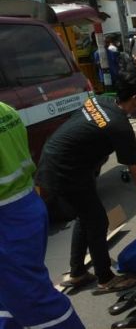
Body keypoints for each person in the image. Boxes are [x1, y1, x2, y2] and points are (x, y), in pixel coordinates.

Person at [36, 72, 136, 295]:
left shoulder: (100, 100)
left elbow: (83, 132)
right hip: (66, 170)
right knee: (97, 220)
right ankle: (106, 279)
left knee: (86, 216)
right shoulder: (120, 127)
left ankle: (77, 272)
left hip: (54, 159)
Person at [0, 102, 85, 329]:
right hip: (26, 206)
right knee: (10, 296)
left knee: (33, 302)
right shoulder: (5, 109)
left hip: (6, 218)